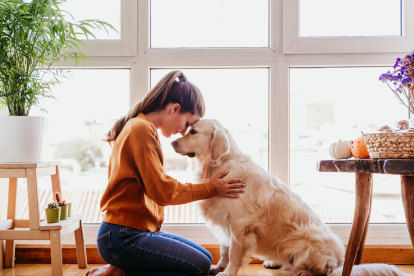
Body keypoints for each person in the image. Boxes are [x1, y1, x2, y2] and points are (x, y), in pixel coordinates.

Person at [86, 71, 245, 276]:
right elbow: (161, 191)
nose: (183, 132)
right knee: (198, 267)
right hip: (122, 237)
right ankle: (120, 272)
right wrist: (211, 188)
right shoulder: (140, 130)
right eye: (187, 124)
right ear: (175, 109)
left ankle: (119, 267)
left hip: (131, 233)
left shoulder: (141, 126)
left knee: (205, 259)